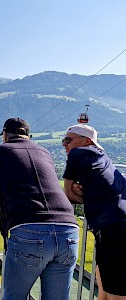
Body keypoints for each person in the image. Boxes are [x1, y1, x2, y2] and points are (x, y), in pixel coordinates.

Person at [0, 117, 79, 300]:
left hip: (30, 230)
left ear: (5, 135)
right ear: (28, 136)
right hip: (69, 230)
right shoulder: (44, 151)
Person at [62, 124, 126, 299]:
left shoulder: (78, 154)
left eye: (68, 140)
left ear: (87, 140)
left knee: (115, 291)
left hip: (112, 229)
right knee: (105, 283)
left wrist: (82, 195)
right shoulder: (103, 158)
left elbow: (68, 194)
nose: (64, 145)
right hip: (116, 226)